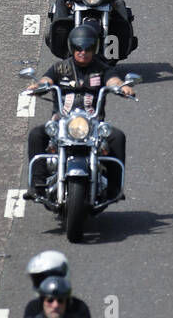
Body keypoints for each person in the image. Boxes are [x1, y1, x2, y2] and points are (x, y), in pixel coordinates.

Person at [24, 24, 134, 204]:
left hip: (93, 124)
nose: (83, 52)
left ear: (95, 48)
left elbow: (113, 80)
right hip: (62, 123)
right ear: (71, 47)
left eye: (88, 47)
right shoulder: (60, 68)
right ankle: (37, 184)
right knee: (36, 135)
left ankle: (114, 188)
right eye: (78, 47)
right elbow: (47, 79)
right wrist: (37, 85)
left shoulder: (102, 68)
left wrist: (123, 87)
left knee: (117, 137)